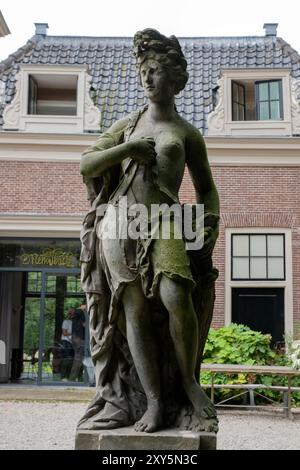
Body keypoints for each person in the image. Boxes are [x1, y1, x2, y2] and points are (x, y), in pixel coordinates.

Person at [78, 29, 219, 433]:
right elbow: (87, 164)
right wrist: (126, 150)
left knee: (177, 295)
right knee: (133, 310)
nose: (147, 77)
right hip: (120, 222)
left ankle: (189, 384)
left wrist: (210, 220)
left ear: (174, 79)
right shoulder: (125, 126)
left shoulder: (188, 133)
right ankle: (153, 404)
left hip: (164, 220)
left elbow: (206, 188)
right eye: (143, 70)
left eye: (155, 71)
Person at [60, 309, 75, 380]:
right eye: (71, 314)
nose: (72, 315)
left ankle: (68, 377)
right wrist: (74, 333)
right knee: (66, 360)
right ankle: (63, 377)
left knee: (71, 360)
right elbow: (64, 333)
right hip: (66, 342)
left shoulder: (76, 322)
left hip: (73, 343)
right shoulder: (66, 322)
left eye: (73, 314)